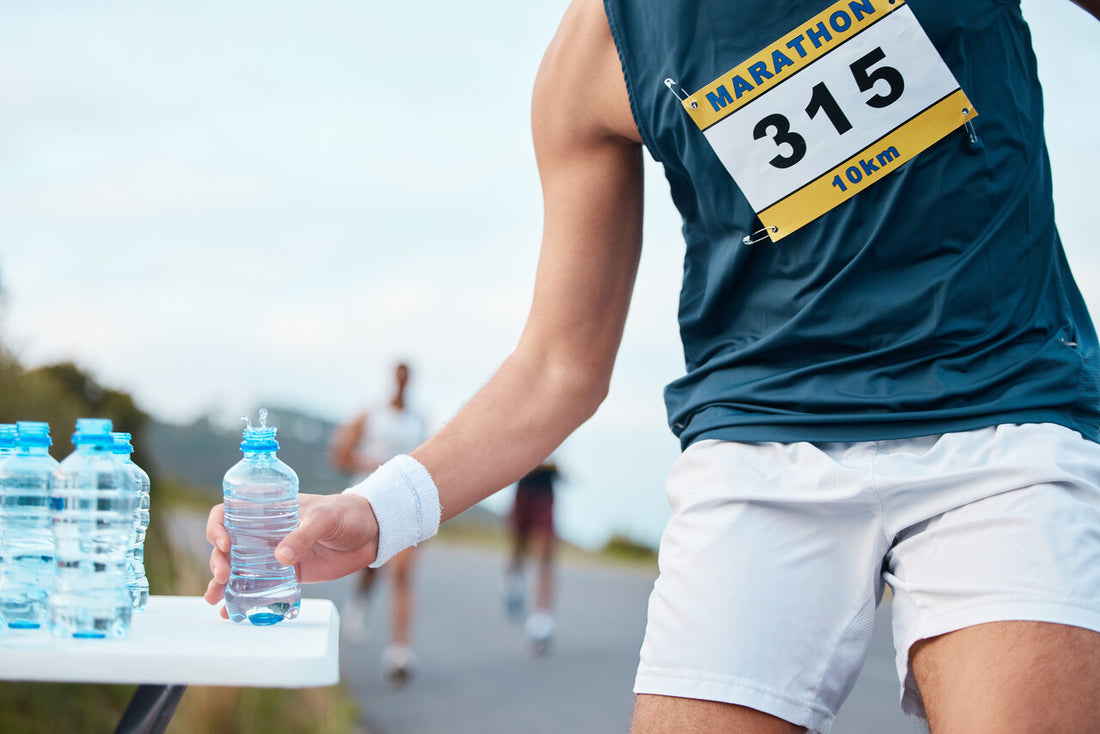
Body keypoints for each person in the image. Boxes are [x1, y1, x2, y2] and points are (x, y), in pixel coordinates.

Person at [208, 0, 1100, 731]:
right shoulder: (599, 49)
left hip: (1005, 417)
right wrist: (377, 509)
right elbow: (561, 364)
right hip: (761, 449)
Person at [328, 362, 427, 686]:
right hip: (369, 500)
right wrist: (370, 462)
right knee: (371, 564)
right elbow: (340, 452)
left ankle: (399, 653)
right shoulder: (371, 414)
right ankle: (362, 598)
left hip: (406, 503)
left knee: (402, 574)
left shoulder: (417, 421)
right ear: (392, 377)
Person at [503, 458, 560, 655]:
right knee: (518, 547)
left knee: (545, 554)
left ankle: (541, 621)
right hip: (524, 478)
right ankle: (513, 583)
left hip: (546, 484)